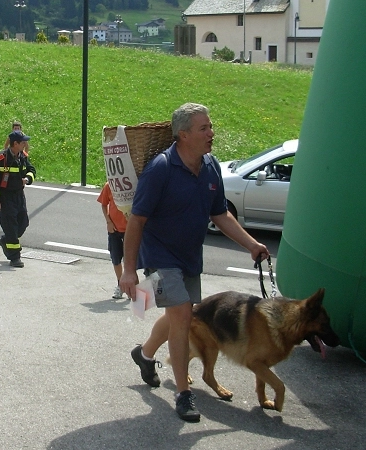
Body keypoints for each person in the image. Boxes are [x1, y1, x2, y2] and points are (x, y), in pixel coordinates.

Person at [119, 103, 270, 423]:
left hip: (189, 256)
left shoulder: (211, 166)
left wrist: (251, 245)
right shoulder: (161, 169)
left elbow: (220, 213)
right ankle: (183, 393)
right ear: (184, 135)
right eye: (204, 128)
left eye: (210, 126)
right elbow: (137, 220)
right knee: (183, 316)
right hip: (160, 256)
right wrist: (129, 270)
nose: (211, 133)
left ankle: (144, 354)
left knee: (180, 313)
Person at [0, 130, 36, 268]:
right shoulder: (1, 159)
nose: (25, 144)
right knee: (11, 227)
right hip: (5, 197)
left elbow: (32, 170)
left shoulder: (23, 156)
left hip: (19, 195)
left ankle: (6, 240)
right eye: (23, 142)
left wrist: (27, 179)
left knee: (23, 223)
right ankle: (15, 257)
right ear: (15, 144)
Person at [97, 182, 128, 299]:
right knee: (116, 258)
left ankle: (131, 286)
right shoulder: (109, 185)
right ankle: (120, 284)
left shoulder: (132, 184)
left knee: (130, 259)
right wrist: (108, 222)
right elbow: (104, 204)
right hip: (114, 228)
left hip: (130, 229)